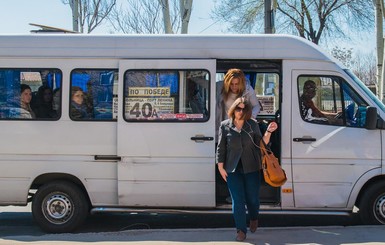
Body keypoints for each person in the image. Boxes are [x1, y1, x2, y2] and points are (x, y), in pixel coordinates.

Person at [216, 97, 278, 242]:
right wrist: (220, 166)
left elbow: (262, 144)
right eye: (238, 108)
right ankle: (241, 231)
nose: (241, 111)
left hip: (252, 167)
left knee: (252, 199)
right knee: (237, 200)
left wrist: (268, 132)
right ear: (233, 109)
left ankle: (254, 218)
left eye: (244, 109)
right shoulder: (225, 126)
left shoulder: (252, 125)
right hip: (232, 168)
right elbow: (221, 148)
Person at [215, 68, 261, 203]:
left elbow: (256, 106)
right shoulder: (220, 86)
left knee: (244, 164)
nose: (234, 87)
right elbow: (206, 83)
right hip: (227, 130)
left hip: (244, 130)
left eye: (237, 84)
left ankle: (242, 197)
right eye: (232, 84)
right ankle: (235, 195)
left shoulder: (247, 88)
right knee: (230, 165)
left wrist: (248, 119)